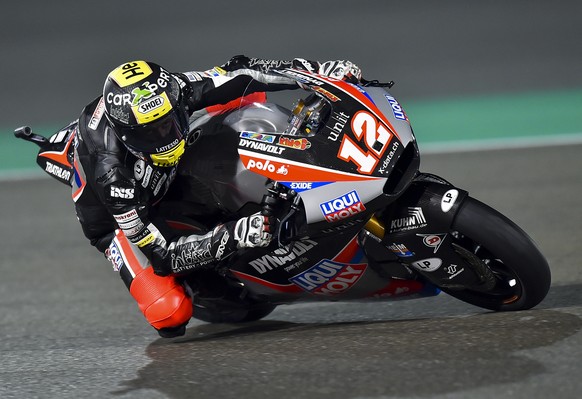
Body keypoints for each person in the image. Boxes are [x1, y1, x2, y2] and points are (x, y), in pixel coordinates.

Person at [70, 55, 362, 337]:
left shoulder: (174, 89)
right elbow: (162, 256)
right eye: (151, 134)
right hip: (117, 222)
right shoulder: (113, 178)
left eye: (168, 123)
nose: (164, 138)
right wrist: (234, 235)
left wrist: (318, 73)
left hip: (166, 165)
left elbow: (243, 71)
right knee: (168, 313)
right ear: (126, 135)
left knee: (246, 98)